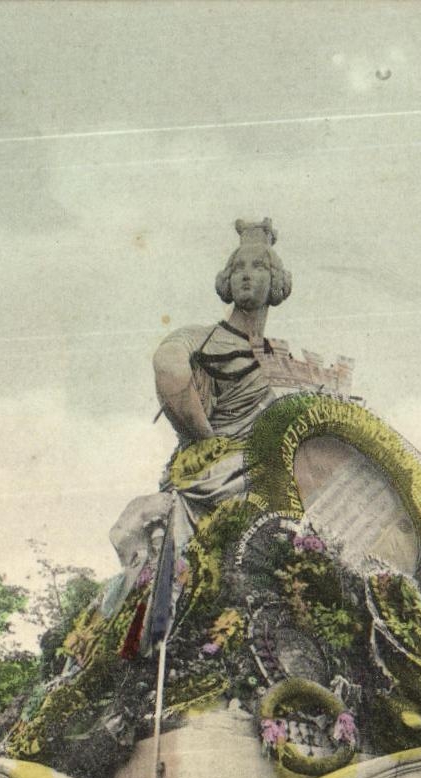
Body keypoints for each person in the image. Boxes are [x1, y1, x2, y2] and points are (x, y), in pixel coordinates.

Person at [102, 219, 294, 644]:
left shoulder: (286, 362)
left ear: (276, 282)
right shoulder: (198, 338)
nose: (247, 273)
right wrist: (208, 439)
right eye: (238, 266)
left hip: (264, 478)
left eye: (259, 266)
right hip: (209, 477)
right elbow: (168, 368)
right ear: (226, 280)